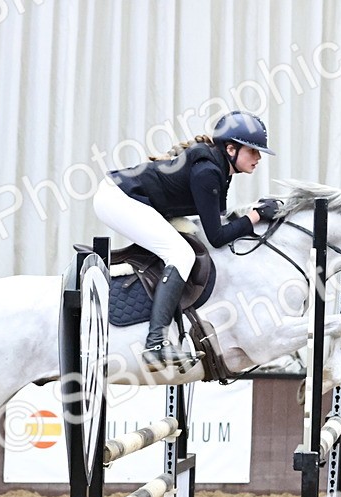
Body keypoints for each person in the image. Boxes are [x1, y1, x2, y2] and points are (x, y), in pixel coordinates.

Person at [93, 111, 282, 371]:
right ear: (230, 148)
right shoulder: (208, 171)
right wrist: (255, 216)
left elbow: (218, 223)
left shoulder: (220, 169)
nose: (258, 158)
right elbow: (217, 238)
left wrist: (252, 216)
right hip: (116, 199)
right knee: (181, 255)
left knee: (185, 246)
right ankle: (156, 344)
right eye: (253, 151)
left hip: (132, 199)